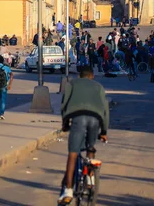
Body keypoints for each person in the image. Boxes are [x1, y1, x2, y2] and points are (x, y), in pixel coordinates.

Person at [58, 65, 109, 205]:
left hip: (78, 118)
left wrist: (65, 123)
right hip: (95, 119)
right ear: (92, 76)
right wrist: (104, 131)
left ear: (80, 76)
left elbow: (64, 104)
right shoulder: (98, 86)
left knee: (73, 154)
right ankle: (90, 179)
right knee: (90, 147)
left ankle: (68, 190)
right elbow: (105, 109)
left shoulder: (72, 84)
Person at [0, 55, 13, 120]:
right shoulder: (6, 67)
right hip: (4, 85)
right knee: (3, 100)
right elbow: (11, 75)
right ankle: (1, 114)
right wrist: (10, 84)